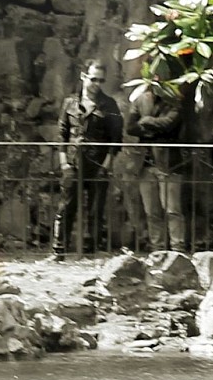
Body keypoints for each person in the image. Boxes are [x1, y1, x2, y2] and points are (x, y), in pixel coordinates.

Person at [50, 61, 126, 260]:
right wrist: (64, 163)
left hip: (98, 163)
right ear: (84, 76)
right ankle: (59, 252)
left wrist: (107, 164)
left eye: (101, 80)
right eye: (93, 79)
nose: (96, 84)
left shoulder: (109, 105)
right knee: (66, 207)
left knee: (95, 210)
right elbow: (62, 134)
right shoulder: (70, 103)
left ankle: (90, 253)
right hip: (73, 162)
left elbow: (116, 138)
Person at [128, 72, 193, 253]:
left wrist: (147, 121)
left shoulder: (175, 102)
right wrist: (154, 129)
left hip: (169, 163)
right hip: (145, 162)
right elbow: (130, 127)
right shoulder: (140, 99)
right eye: (154, 77)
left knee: (173, 209)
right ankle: (157, 249)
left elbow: (169, 123)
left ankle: (177, 248)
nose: (157, 81)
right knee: (151, 211)